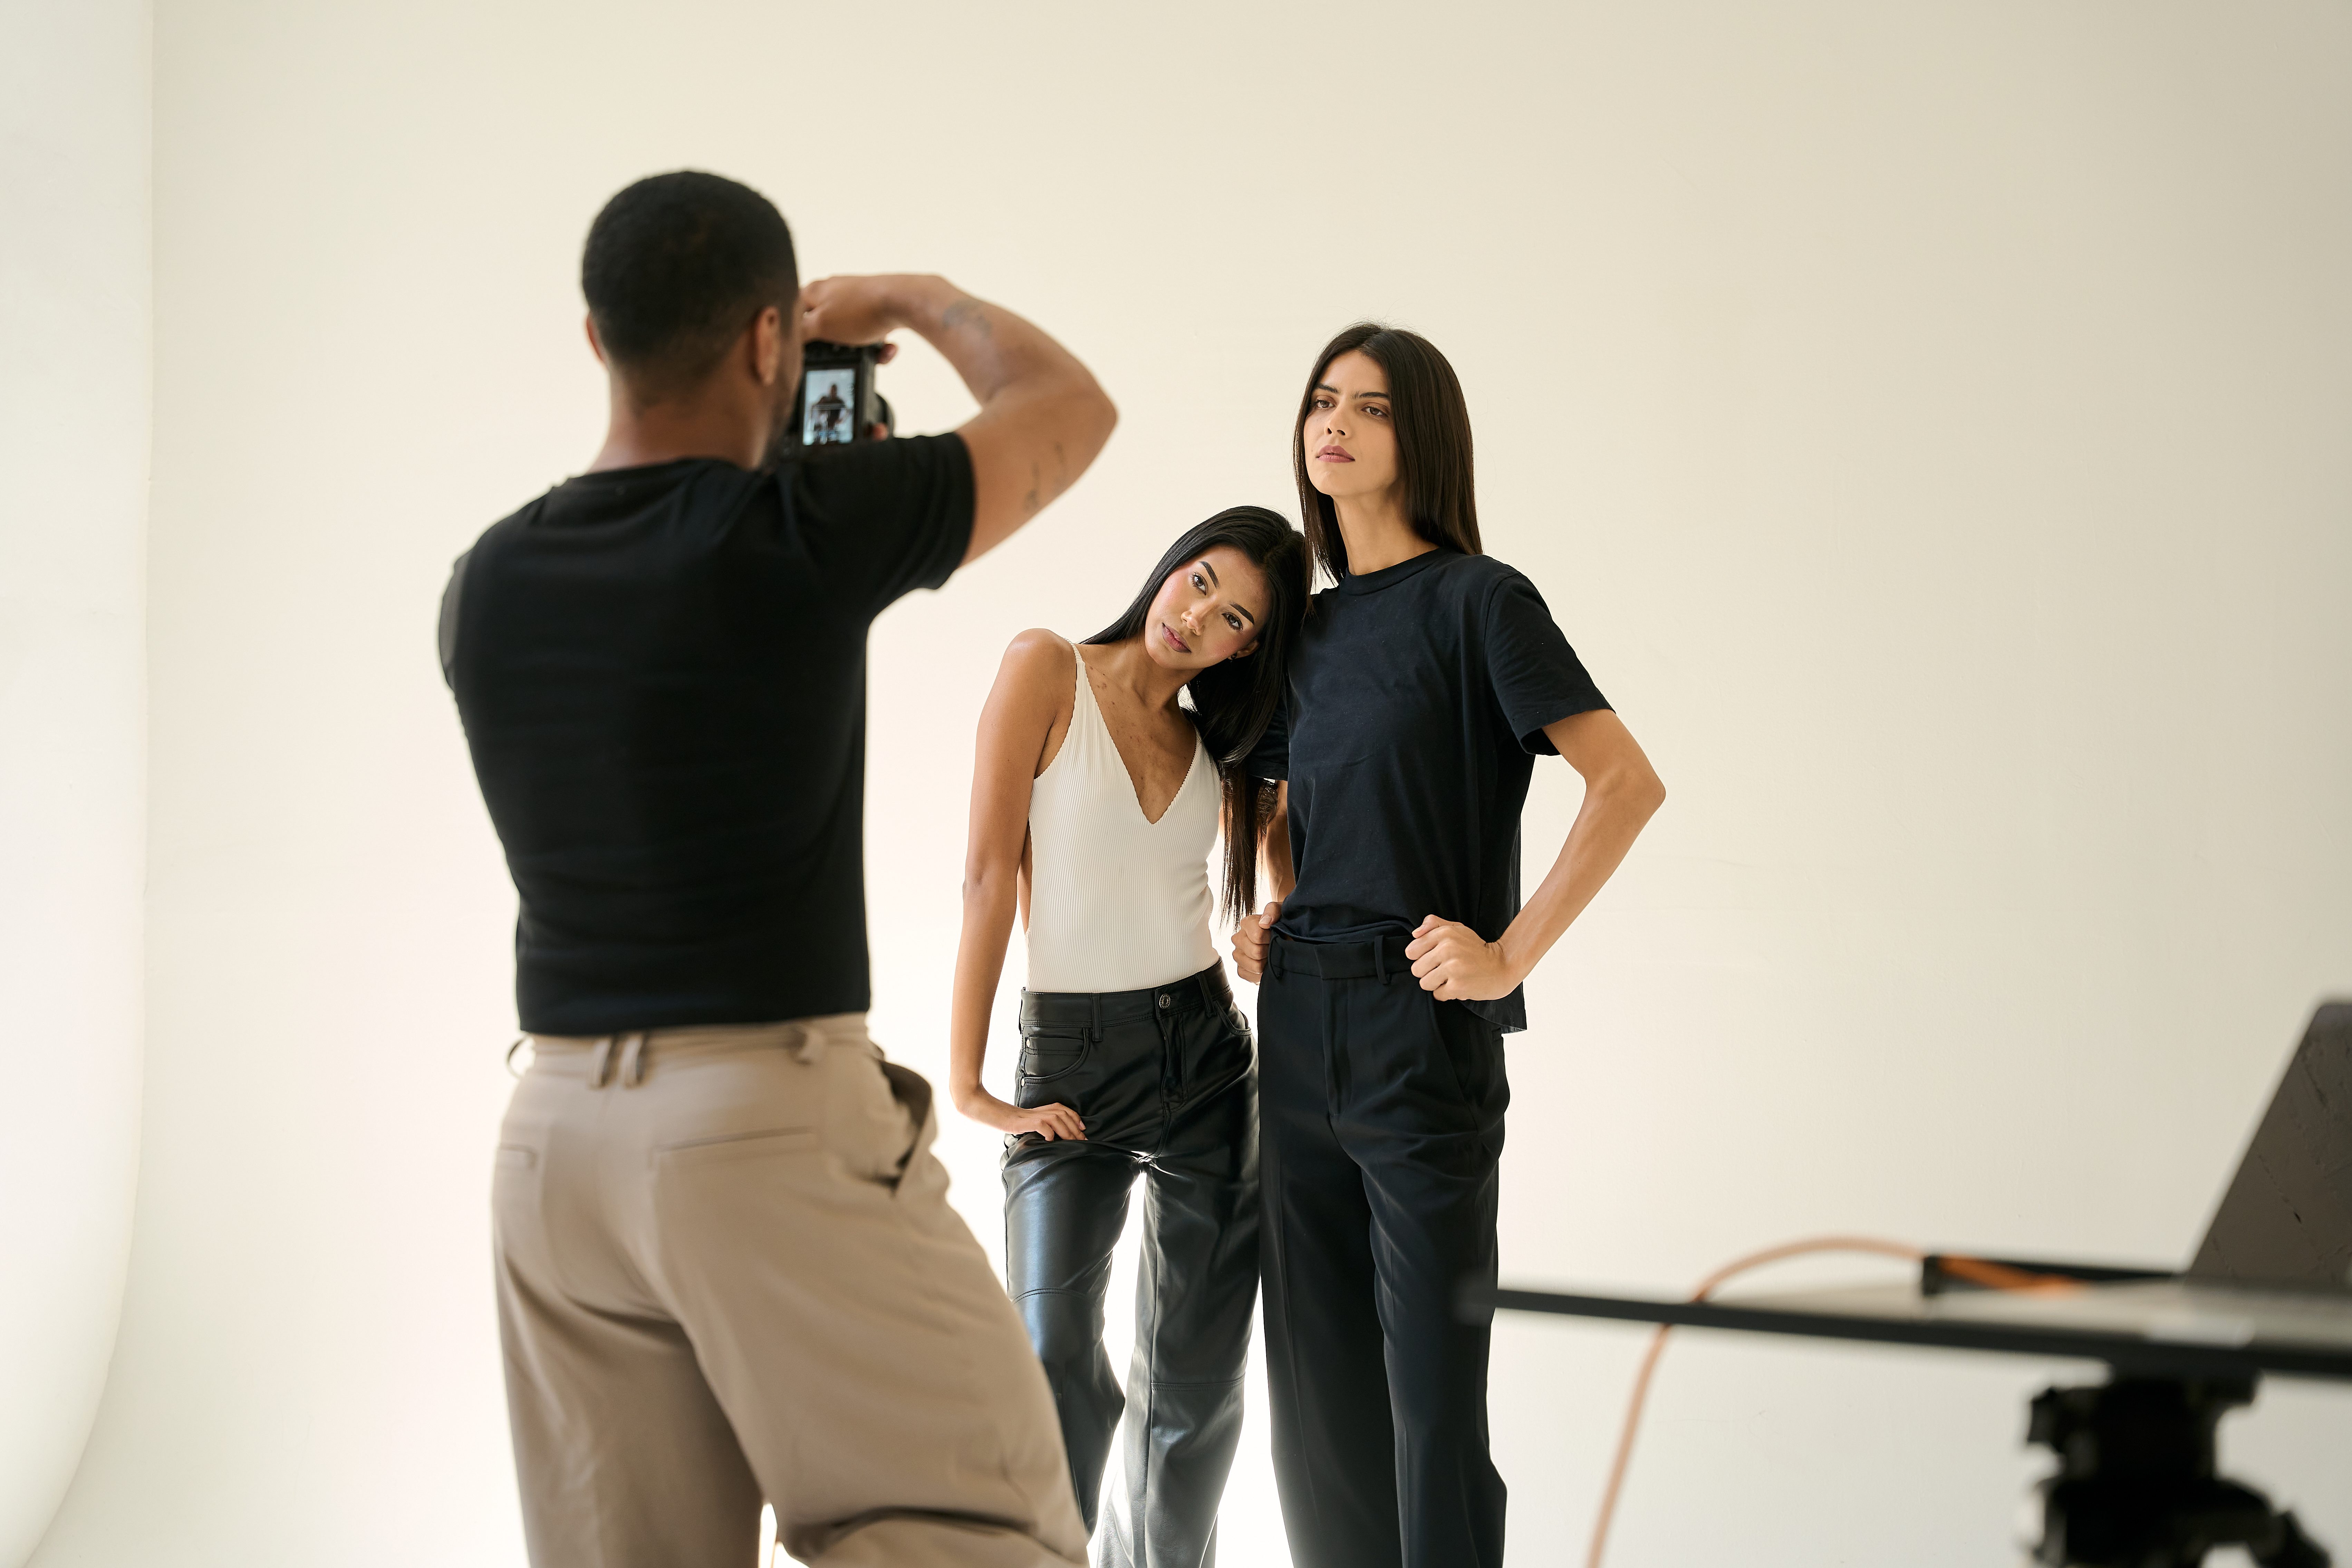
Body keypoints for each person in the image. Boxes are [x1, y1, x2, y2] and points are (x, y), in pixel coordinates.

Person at [440, 170, 1117, 1568]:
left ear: (595, 339)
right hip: (754, 1123)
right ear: (770, 344)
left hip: (551, 1143)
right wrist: (915, 302)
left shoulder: (488, 580)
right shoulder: (805, 530)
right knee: (983, 1528)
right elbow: (1068, 410)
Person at [1230, 324, 1666, 1568]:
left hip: (1420, 1036)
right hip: (1299, 1025)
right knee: (1315, 1413)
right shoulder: (1298, 633)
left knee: (1428, 1404)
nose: (1336, 424)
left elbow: (1624, 782)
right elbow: (1280, 802)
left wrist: (1508, 955)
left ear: (1421, 438)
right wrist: (1284, 908)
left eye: (1369, 407)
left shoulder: (1481, 602)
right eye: (1322, 401)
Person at [947, 507, 1308, 1565]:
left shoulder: (1220, 746)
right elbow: (981, 879)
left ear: (1250, 646)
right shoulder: (1046, 668)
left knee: (1194, 1380)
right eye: (1197, 580)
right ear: (1169, 567)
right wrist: (969, 1085)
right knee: (1050, 1354)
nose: (1197, 616)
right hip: (1068, 1067)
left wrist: (1277, 913)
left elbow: (1280, 845)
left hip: (1204, 1057)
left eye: (1233, 615)